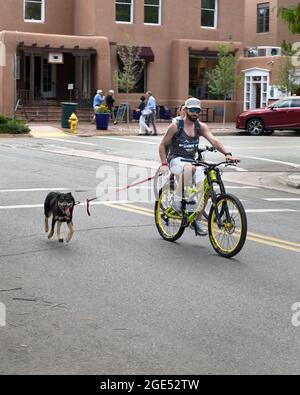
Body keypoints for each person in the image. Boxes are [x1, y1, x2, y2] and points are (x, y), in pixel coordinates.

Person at [159, 97, 239, 237]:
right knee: (191, 168)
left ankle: (197, 220)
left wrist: (227, 154)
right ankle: (177, 201)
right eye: (192, 110)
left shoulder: (200, 126)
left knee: (207, 187)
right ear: (185, 110)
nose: (195, 113)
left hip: (191, 161)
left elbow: (213, 140)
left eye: (198, 110)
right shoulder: (176, 126)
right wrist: (164, 164)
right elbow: (162, 145)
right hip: (176, 160)